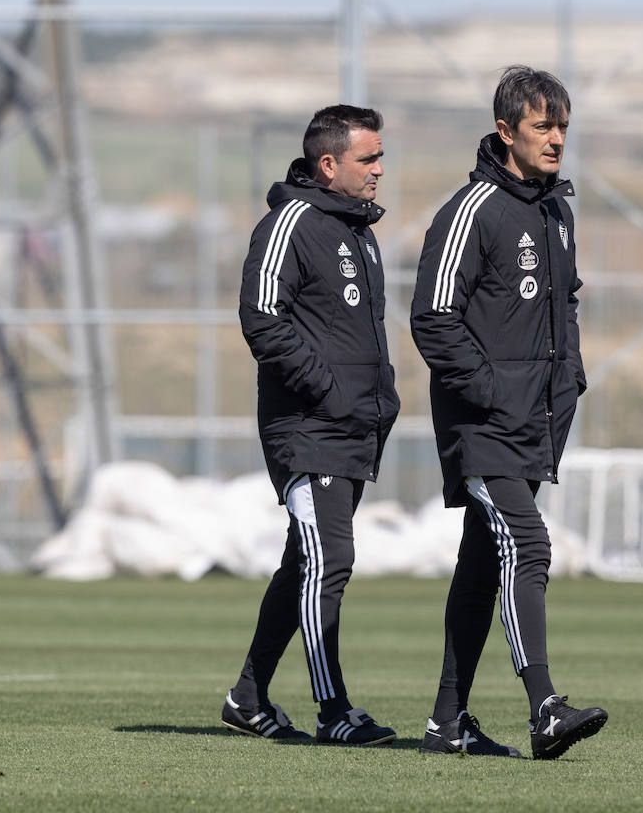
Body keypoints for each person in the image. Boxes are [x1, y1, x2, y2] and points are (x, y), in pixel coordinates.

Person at [410, 67, 607, 759]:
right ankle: (544, 707)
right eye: (542, 127)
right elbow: (433, 320)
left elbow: (566, 307)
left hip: (534, 423)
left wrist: (569, 381)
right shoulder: (471, 211)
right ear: (505, 131)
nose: (556, 140)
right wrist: (491, 392)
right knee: (530, 545)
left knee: (482, 567)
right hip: (483, 425)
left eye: (563, 127)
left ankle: (446, 722)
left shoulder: (556, 210)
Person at [222, 105, 401, 746]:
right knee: (331, 562)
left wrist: (380, 400)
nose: (381, 169)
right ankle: (334, 711)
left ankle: (247, 696)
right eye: (368, 159)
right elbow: (261, 319)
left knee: (304, 564)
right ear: (329, 165)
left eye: (381, 157)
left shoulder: (360, 231)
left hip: (354, 428)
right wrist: (329, 391)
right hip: (309, 430)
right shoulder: (289, 223)